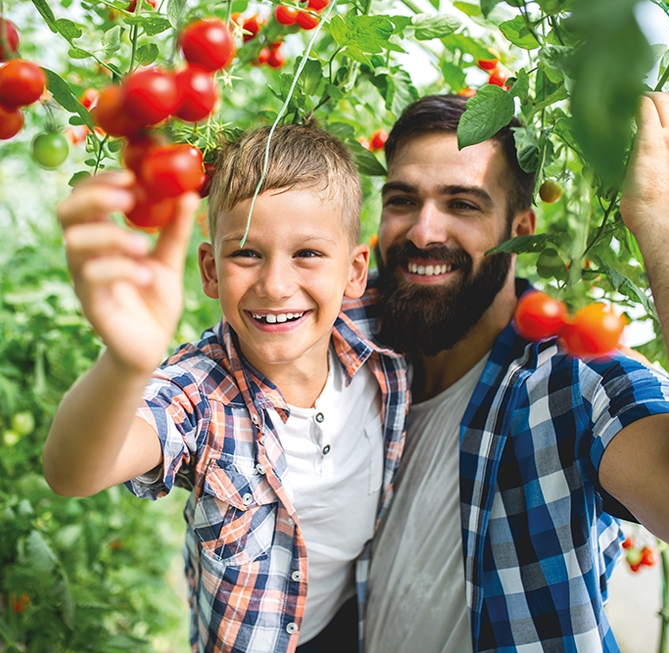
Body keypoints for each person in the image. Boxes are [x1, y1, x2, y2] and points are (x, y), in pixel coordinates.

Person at [359, 92, 669, 652]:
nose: (424, 231)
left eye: (463, 204)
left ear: (521, 227)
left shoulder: (568, 385)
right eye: (402, 200)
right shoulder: (350, 363)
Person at [42, 124, 408, 653]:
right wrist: (125, 364)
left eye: (307, 253)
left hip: (359, 618)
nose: (276, 285)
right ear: (210, 271)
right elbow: (74, 472)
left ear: (354, 273)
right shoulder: (201, 391)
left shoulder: (377, 331)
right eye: (247, 254)